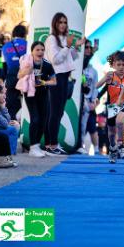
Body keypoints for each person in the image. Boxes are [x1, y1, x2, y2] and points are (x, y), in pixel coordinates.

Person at [45, 12, 84, 155]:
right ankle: (51, 145)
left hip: (65, 77)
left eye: (65, 22)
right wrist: (68, 47)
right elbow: (55, 60)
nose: (63, 25)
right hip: (56, 77)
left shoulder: (63, 39)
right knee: (55, 113)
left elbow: (72, 57)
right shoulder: (51, 39)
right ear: (55, 24)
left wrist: (75, 46)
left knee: (59, 112)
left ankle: (52, 144)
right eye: (60, 22)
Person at [17, 41, 57, 157]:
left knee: (43, 120)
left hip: (43, 93)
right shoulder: (27, 62)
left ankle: (37, 146)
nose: (40, 52)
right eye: (37, 50)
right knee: (35, 119)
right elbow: (19, 76)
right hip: (30, 93)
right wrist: (26, 71)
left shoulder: (47, 65)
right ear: (32, 51)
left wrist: (44, 82)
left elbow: (54, 81)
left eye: (42, 50)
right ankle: (32, 147)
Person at [96, 51, 124, 163]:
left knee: (120, 121)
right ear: (113, 65)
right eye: (118, 64)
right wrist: (104, 79)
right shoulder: (110, 76)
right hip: (111, 107)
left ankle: (121, 145)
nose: (121, 67)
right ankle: (112, 149)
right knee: (111, 133)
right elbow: (97, 87)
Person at [2, 24, 28, 119]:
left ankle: (11, 125)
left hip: (11, 76)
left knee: (11, 104)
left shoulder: (5, 47)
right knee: (25, 104)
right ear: (25, 34)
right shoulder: (28, 44)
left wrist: (5, 81)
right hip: (24, 76)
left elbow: (4, 66)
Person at [81, 40, 100, 155]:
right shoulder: (78, 66)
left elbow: (95, 87)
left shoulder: (94, 70)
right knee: (80, 126)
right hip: (79, 101)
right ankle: (80, 146)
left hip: (89, 102)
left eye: (89, 47)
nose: (88, 49)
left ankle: (97, 150)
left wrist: (94, 101)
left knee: (92, 126)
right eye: (86, 47)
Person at [0, 82, 20, 160]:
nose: (5, 96)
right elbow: (5, 123)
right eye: (2, 93)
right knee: (12, 129)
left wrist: (3, 107)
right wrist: (3, 108)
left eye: (5, 93)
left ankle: (10, 152)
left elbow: (7, 120)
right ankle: (9, 154)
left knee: (15, 125)